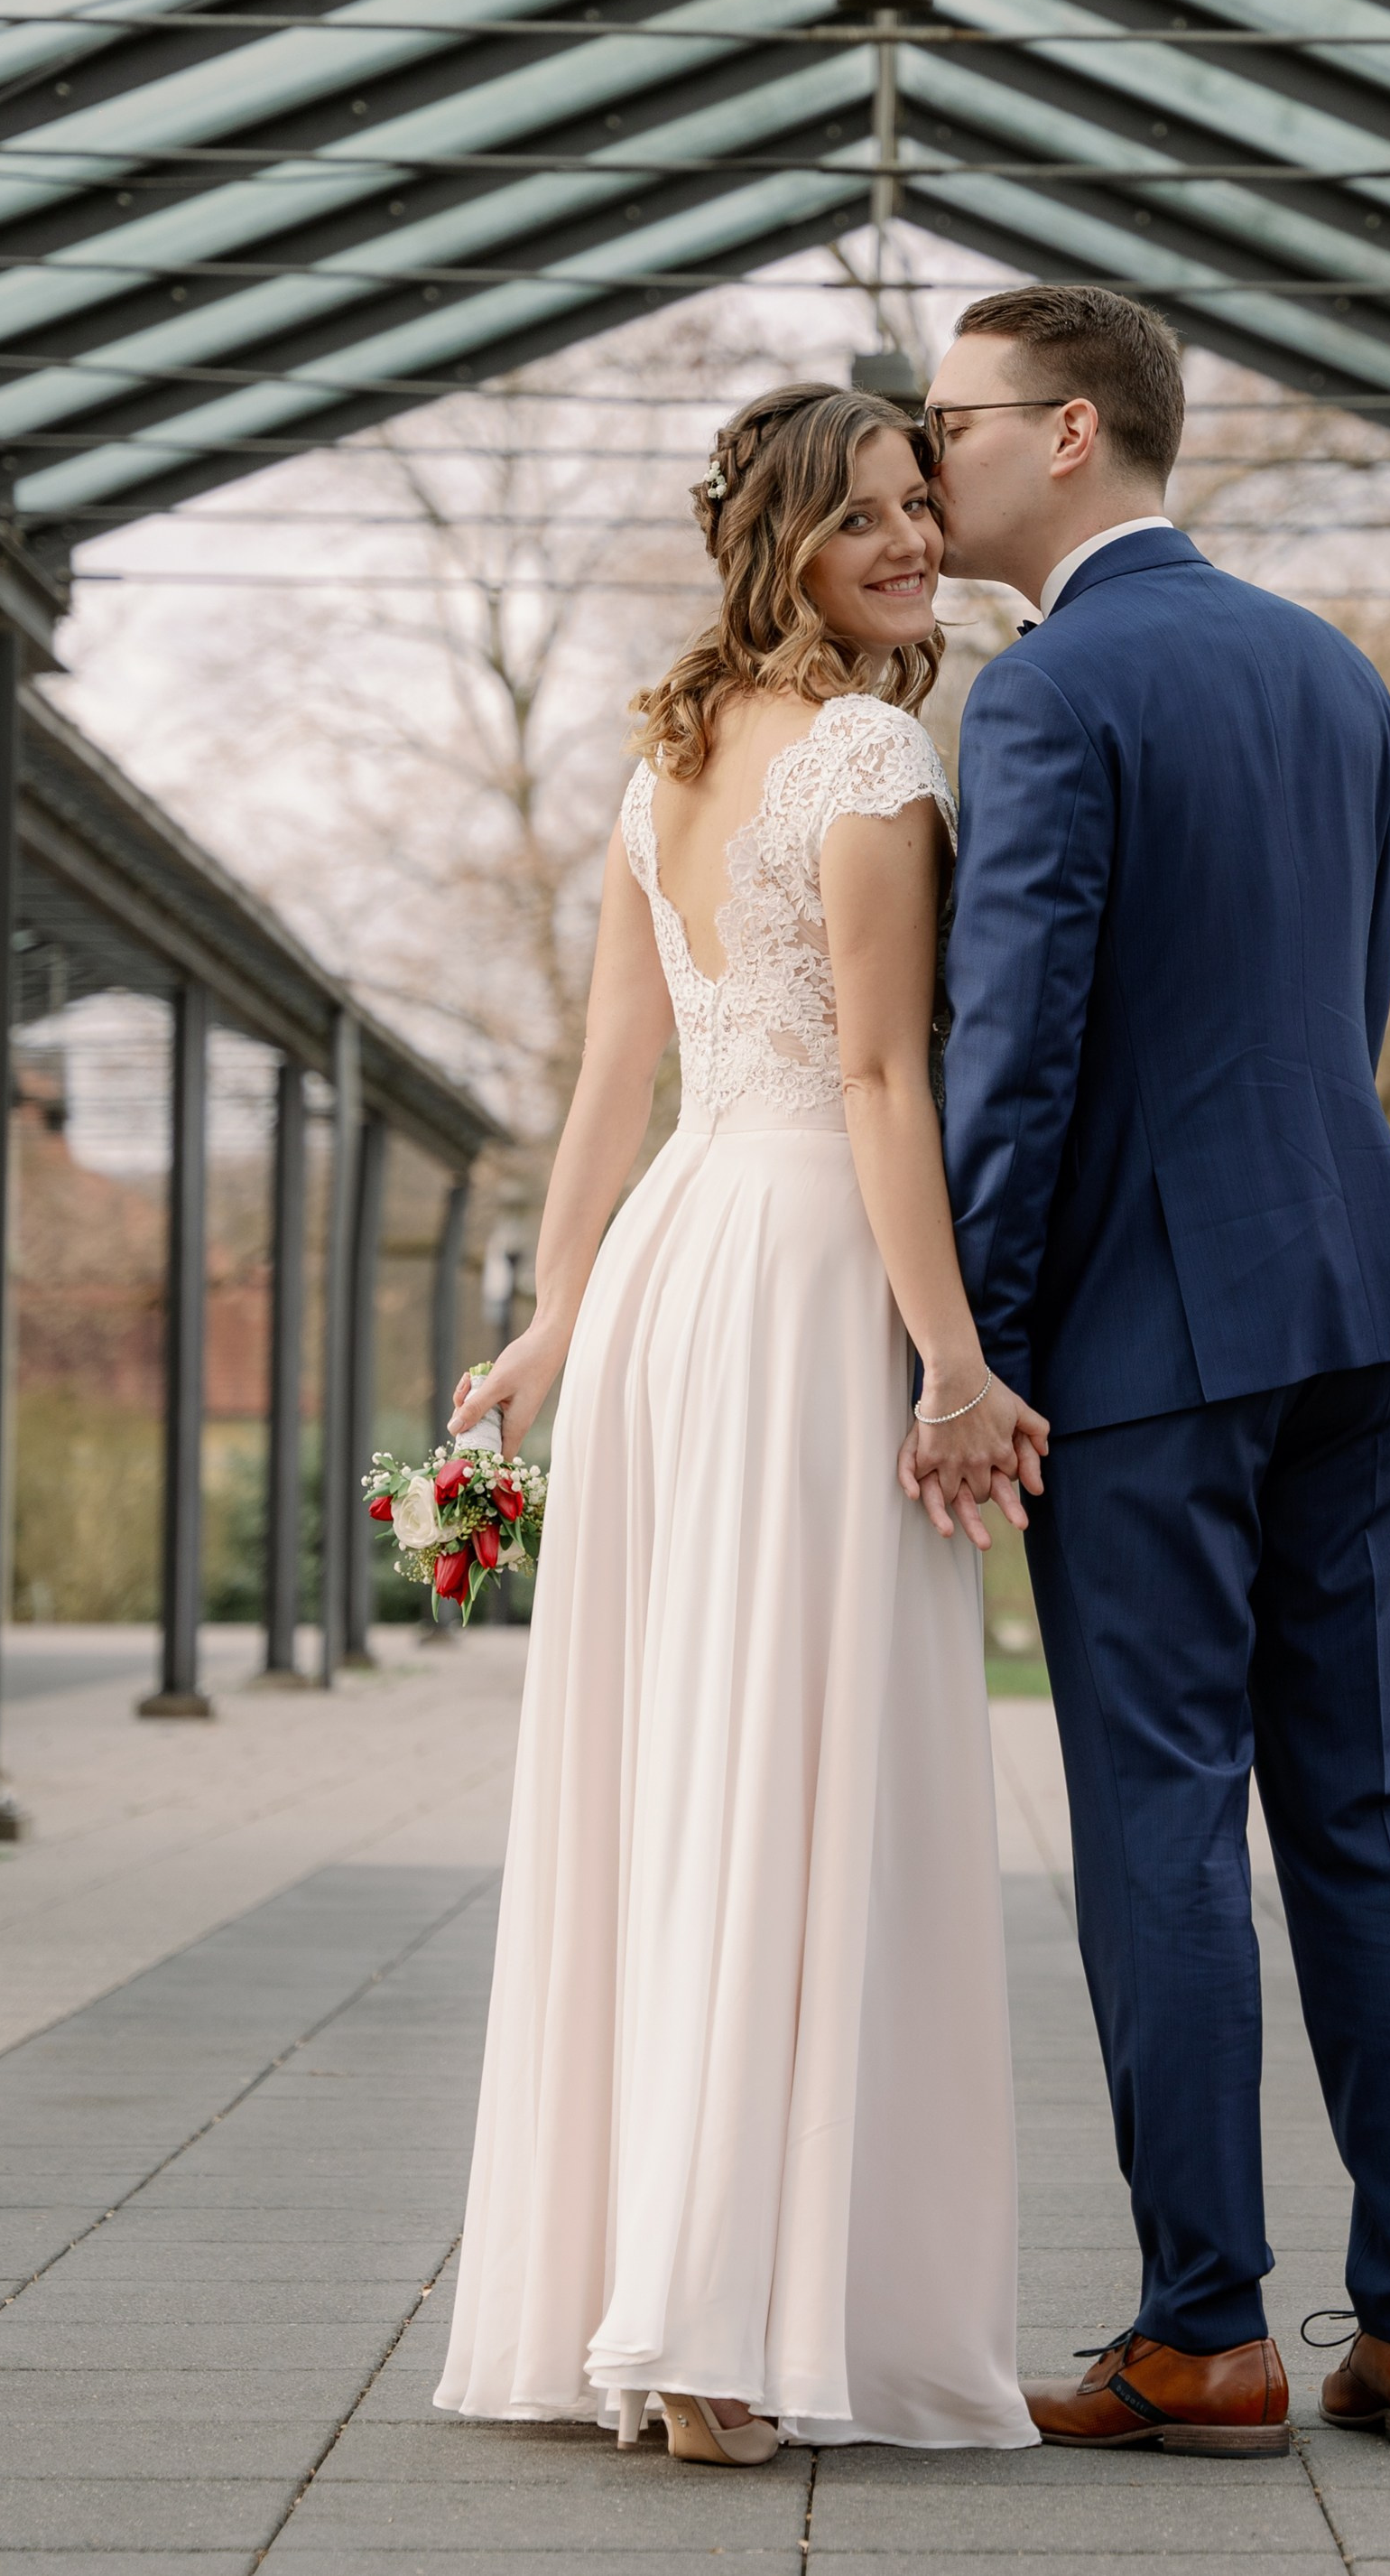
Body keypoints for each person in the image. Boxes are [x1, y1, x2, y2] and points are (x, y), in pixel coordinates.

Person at [434, 386, 1042, 2466]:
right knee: (789, 1773)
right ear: (774, 541)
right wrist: (952, 1362)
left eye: (916, 508)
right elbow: (886, 1087)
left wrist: (559, 1316)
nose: (902, 543)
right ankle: (709, 2325)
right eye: (859, 517)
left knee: (683, 1772)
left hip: (683, 1268)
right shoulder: (870, 754)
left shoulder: (666, 764)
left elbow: (614, 1080)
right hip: (799, 1272)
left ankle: (671, 2292)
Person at [913, 284, 1390, 2457]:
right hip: (1357, 1293)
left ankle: (1207, 2329)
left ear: (1069, 433)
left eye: (950, 415)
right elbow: (1348, 996)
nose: (926, 449)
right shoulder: (1335, 673)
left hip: (1150, 1339)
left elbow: (1022, 1051)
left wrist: (971, 1347)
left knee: (1160, 1804)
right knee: (1370, 1801)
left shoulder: (1052, 692)